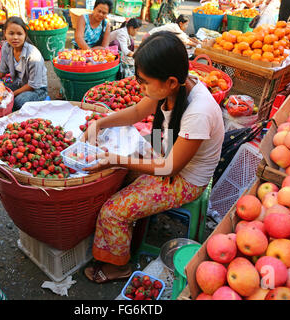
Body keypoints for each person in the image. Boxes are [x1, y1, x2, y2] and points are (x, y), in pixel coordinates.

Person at [82, 31, 224, 282]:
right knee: (118, 176)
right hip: (169, 157)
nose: (141, 87)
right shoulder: (175, 86)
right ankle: (124, 235)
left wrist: (116, 158)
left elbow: (169, 168)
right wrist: (100, 124)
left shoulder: (198, 112)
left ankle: (120, 267)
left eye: (144, 81)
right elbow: (138, 111)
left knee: (113, 210)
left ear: (169, 81)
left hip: (187, 180)